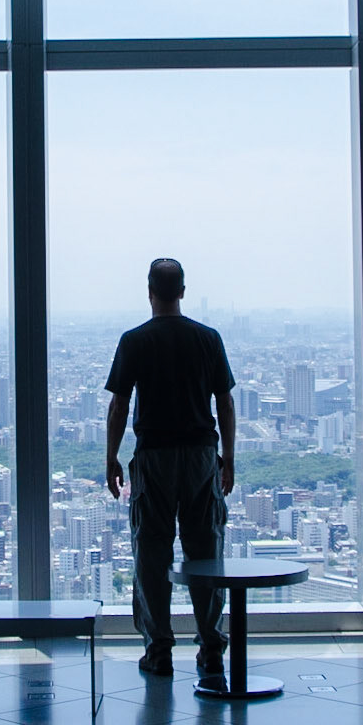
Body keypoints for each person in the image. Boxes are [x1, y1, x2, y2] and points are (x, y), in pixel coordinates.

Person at [105, 256, 235, 688]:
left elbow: (120, 404)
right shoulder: (207, 338)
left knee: (151, 552)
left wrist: (111, 456)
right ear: (182, 291)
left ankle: (159, 650)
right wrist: (228, 458)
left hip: (154, 456)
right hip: (201, 455)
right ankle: (212, 651)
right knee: (205, 552)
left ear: (149, 291)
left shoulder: (135, 340)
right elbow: (225, 402)